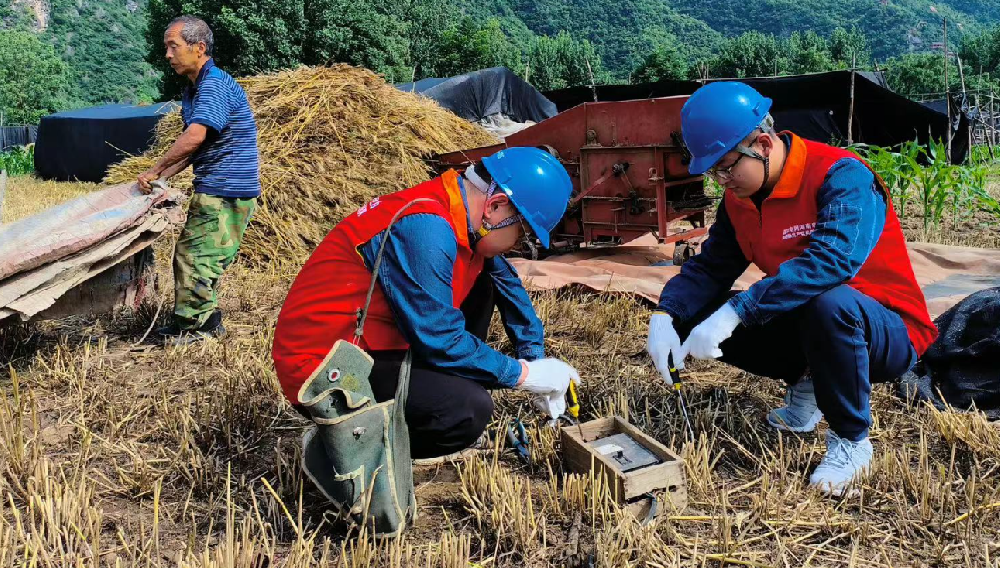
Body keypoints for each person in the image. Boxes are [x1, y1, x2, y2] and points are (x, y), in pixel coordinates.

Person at [647, 82, 938, 495]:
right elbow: (712, 267)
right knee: (698, 309)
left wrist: (739, 311)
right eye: (713, 172)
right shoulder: (739, 199)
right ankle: (809, 383)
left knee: (826, 301)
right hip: (811, 321)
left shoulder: (840, 176)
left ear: (763, 145)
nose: (722, 181)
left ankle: (851, 441)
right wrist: (667, 314)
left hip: (885, 330)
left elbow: (831, 262)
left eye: (727, 167)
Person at [272, 147, 581, 459]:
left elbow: (508, 287)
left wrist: (534, 356)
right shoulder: (426, 229)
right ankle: (350, 446)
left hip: (372, 345)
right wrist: (524, 375)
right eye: (522, 233)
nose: (518, 243)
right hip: (324, 368)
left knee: (484, 284)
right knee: (467, 410)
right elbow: (440, 338)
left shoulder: (460, 211)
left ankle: (430, 394)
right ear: (496, 206)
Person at [137, 15, 261, 346]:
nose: (167, 54)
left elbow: (194, 137)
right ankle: (195, 321)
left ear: (199, 48)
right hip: (217, 184)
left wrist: (154, 168)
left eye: (173, 46)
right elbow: (197, 148)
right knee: (195, 254)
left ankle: (199, 328)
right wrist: (159, 177)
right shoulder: (195, 90)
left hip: (226, 189)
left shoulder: (214, 84)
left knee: (195, 255)